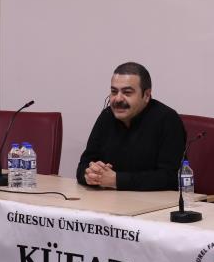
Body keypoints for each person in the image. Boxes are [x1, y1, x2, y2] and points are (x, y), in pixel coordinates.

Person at [76, 62, 186, 191]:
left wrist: (117, 180)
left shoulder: (167, 120)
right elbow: (84, 165)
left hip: (154, 202)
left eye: (127, 92)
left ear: (146, 95)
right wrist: (90, 175)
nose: (118, 99)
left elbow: (171, 177)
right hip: (110, 199)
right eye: (114, 92)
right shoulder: (107, 116)